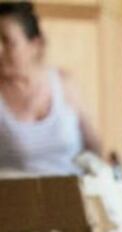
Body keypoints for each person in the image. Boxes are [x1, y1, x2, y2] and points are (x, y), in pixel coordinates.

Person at [0, 1, 101, 175]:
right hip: (15, 192)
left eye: (7, 42)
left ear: (35, 45)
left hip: (71, 188)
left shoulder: (64, 83)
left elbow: (94, 146)